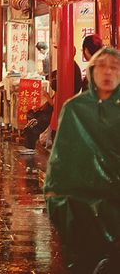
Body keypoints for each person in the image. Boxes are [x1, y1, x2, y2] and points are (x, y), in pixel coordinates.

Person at [45, 47, 120, 274]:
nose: (108, 72)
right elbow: (61, 158)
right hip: (80, 207)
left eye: (114, 68)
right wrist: (54, 196)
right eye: (102, 67)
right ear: (91, 71)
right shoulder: (74, 108)